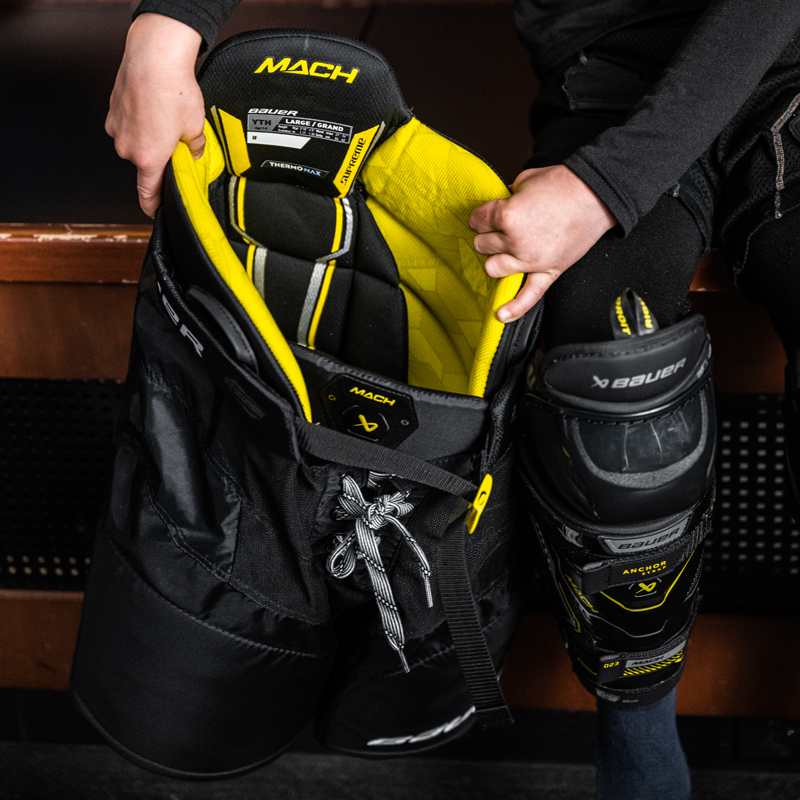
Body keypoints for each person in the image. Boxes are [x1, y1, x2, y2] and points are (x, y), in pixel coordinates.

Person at [104, 2, 800, 799]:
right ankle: (638, 745)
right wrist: (167, 27)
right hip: (616, 78)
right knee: (611, 372)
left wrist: (608, 187)